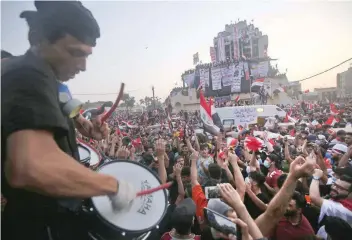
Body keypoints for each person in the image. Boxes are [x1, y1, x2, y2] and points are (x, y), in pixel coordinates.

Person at [1, 2, 135, 239]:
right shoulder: (28, 76)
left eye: (87, 55)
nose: (83, 66)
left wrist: (81, 123)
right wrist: (111, 186)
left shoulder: (45, 76)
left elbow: (59, 102)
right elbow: (30, 166)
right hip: (40, 225)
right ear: (40, 40)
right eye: (75, 53)